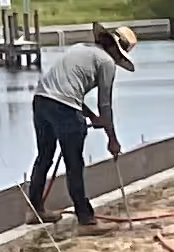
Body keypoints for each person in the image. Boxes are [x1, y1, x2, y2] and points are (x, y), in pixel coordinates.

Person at [25, 21, 137, 227]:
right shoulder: (107, 63)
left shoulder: (81, 49)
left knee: (44, 157)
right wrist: (112, 139)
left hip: (41, 101)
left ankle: (35, 210)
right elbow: (105, 103)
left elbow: (66, 88)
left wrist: (91, 116)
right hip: (64, 108)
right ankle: (86, 219)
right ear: (114, 48)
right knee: (74, 163)